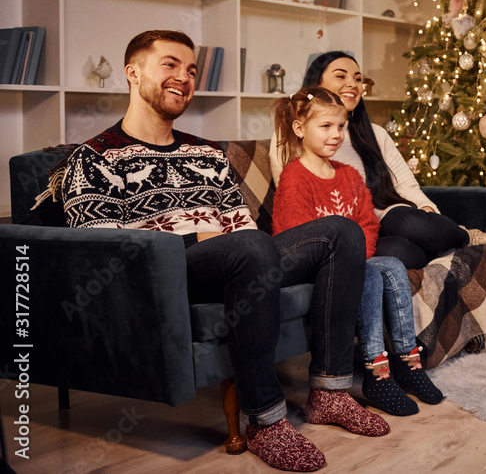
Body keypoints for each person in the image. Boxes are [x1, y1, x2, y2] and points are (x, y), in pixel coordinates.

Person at [60, 31, 390, 473]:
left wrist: (231, 242)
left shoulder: (207, 154)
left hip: (242, 258)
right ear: (132, 73)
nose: (184, 77)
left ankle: (329, 393)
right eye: (170, 65)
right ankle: (265, 420)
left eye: (191, 70)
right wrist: (201, 241)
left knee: (342, 231)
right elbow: (106, 254)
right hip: (170, 269)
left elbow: (241, 224)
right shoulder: (95, 158)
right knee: (250, 246)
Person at [271, 87, 445, 416]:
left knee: (391, 264)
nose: (336, 134)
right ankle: (377, 373)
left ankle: (409, 364)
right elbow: (294, 239)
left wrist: (354, 255)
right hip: (312, 267)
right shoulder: (294, 178)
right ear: (299, 129)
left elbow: (368, 223)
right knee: (368, 272)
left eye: (341, 126)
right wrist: (349, 261)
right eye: (325, 126)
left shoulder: (349, 175)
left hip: (352, 260)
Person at [268, 51, 474, 270]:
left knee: (408, 222)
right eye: (341, 76)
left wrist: (427, 210)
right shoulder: (289, 138)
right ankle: (439, 249)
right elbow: (291, 199)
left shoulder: (375, 134)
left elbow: (405, 184)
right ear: (316, 84)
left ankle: (465, 238)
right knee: (400, 252)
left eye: (358, 79)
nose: (353, 84)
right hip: (350, 231)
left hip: (386, 216)